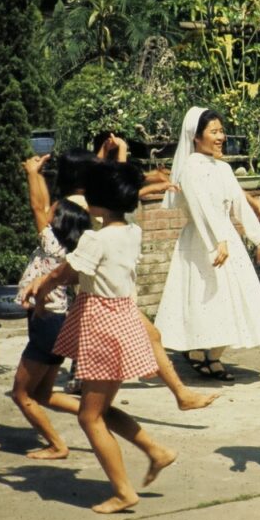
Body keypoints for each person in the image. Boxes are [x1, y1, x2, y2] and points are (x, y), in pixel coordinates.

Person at [25, 161, 177, 514]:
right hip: (121, 319)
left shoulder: (96, 238)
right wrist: (46, 283)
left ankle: (124, 492)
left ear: (99, 202)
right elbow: (84, 271)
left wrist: (42, 285)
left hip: (102, 325)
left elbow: (68, 271)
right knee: (101, 409)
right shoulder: (130, 232)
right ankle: (156, 451)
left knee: (89, 417)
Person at [44, 147, 216, 410]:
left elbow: (118, 194)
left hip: (108, 291)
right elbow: (118, 196)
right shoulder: (79, 203)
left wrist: (145, 181)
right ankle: (177, 395)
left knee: (150, 337)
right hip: (102, 294)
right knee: (136, 344)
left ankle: (180, 394)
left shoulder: (86, 202)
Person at [154, 108, 260, 381]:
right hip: (201, 240)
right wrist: (215, 242)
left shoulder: (223, 168)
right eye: (214, 132)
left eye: (221, 131)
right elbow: (200, 209)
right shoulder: (190, 168)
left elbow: (239, 206)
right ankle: (197, 352)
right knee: (205, 296)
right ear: (196, 137)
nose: (220, 136)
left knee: (231, 297)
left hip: (225, 237)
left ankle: (213, 356)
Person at [10, 156, 91, 460]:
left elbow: (37, 208)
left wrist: (32, 173)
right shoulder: (72, 246)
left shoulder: (51, 246)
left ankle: (57, 444)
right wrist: (37, 173)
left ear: (57, 223)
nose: (50, 211)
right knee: (43, 394)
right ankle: (97, 415)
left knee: (22, 394)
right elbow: (43, 208)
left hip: (47, 324)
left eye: (54, 212)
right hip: (58, 322)